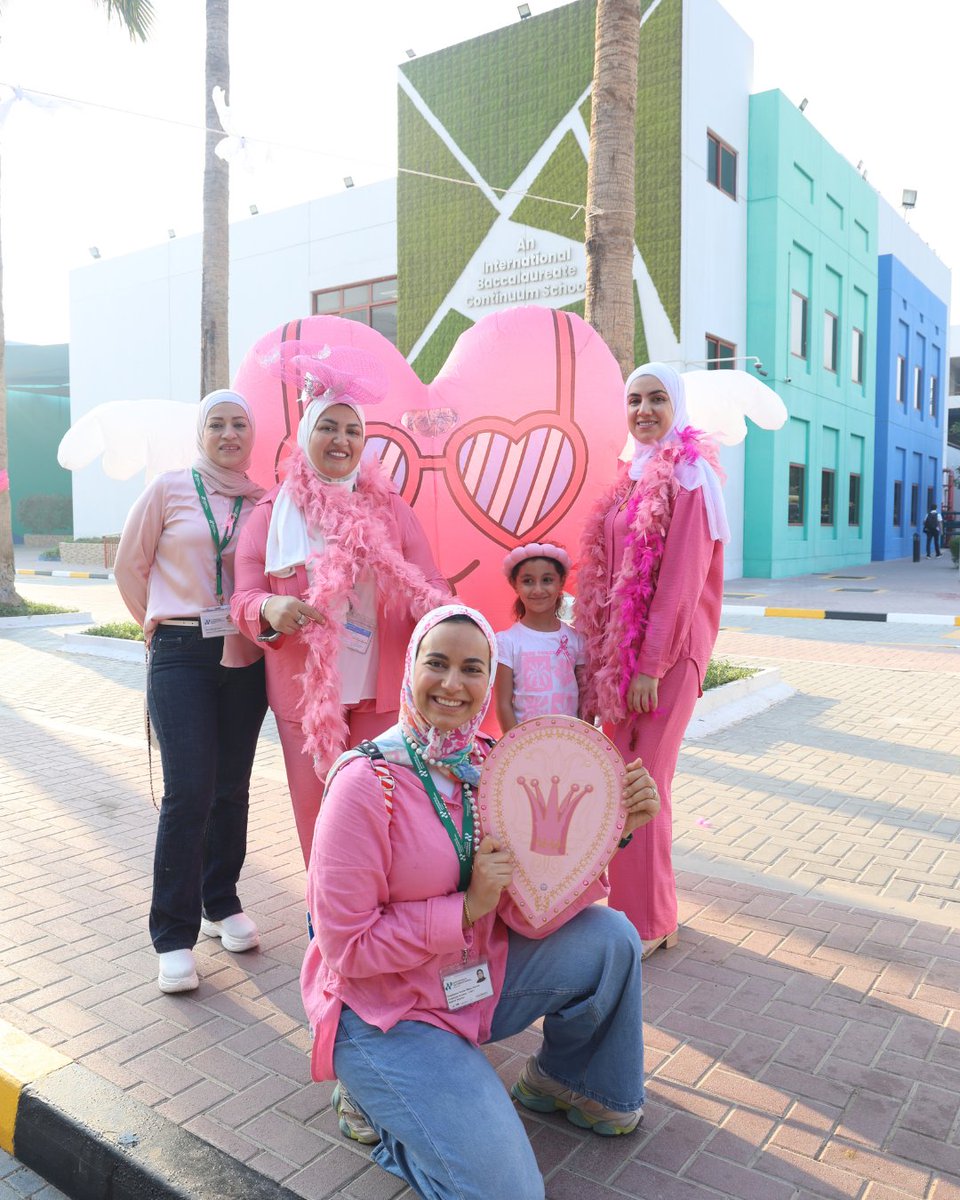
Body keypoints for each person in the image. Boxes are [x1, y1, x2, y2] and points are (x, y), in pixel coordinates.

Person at [300, 604, 660, 1200]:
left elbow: (525, 911)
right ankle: (382, 1109)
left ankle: (570, 1081)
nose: (452, 683)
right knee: (509, 1193)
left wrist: (613, 831)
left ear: (489, 682)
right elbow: (346, 947)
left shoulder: (491, 767)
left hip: (471, 980)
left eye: (473, 668)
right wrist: (465, 909)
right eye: (436, 663)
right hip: (387, 1013)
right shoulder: (366, 783)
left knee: (611, 940)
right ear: (410, 669)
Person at [231, 348, 449, 866]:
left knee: (383, 811)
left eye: (353, 431)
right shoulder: (270, 514)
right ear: (307, 434)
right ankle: (326, 934)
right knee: (319, 817)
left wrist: (439, 614)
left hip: (381, 690)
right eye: (329, 427)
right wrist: (268, 608)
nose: (342, 440)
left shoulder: (392, 509)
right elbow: (241, 595)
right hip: (306, 699)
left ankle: (377, 928)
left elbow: (431, 582)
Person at [115, 389, 268, 994]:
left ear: (251, 434)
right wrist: (159, 621)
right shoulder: (170, 488)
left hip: (245, 653)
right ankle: (173, 935)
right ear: (201, 433)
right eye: (217, 424)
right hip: (181, 652)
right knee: (188, 792)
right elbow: (131, 566)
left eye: (239, 423)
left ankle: (220, 901)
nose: (229, 434)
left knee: (232, 785)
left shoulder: (262, 500)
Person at [576, 362, 728, 958]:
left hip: (667, 660)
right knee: (614, 780)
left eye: (657, 399)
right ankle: (615, 908)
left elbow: (682, 582)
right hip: (622, 662)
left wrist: (650, 666)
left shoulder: (692, 476)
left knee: (644, 782)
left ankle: (648, 919)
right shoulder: (629, 477)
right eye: (634, 399)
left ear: (678, 405)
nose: (643, 410)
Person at [494, 542, 584, 733]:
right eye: (527, 581)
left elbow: (586, 699)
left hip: (572, 745)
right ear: (514, 584)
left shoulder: (576, 639)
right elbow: (503, 704)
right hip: (527, 750)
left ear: (561, 582)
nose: (537, 590)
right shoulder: (507, 642)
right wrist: (517, 747)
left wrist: (583, 741)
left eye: (547, 580)